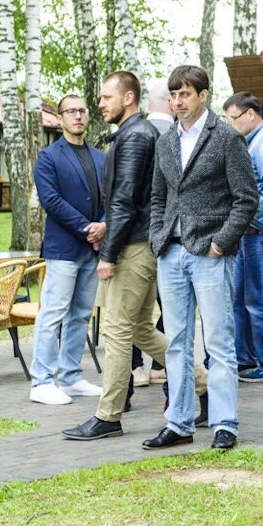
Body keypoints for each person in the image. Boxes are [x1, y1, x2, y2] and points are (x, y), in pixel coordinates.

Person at [63, 71, 205, 442]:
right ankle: (204, 385)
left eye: (106, 97)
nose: (100, 104)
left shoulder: (135, 137)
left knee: (117, 330)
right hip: (138, 242)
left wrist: (108, 253)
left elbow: (125, 202)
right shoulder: (135, 135)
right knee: (142, 329)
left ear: (128, 98)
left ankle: (108, 415)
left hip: (134, 247)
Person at [145, 65, 257, 451]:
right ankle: (178, 422)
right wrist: (157, 235)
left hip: (210, 254)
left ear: (203, 95)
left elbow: (247, 199)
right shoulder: (165, 141)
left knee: (219, 342)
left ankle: (225, 423)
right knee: (175, 343)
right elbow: (159, 197)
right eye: (173, 95)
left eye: (185, 95)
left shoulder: (226, 137)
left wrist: (221, 243)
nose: (177, 102)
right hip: (170, 253)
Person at [27, 95, 106, 407]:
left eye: (82, 111)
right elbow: (52, 201)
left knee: (81, 314)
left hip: (92, 248)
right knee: (53, 313)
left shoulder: (100, 157)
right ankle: (42, 381)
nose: (78, 116)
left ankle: (71, 376)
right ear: (60, 119)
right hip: (64, 248)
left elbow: (110, 197)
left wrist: (103, 226)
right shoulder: (49, 157)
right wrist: (88, 228)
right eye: (71, 111)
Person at [222, 93, 263, 381]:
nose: (231, 125)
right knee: (242, 298)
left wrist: (251, 224)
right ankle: (246, 357)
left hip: (257, 234)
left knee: (261, 300)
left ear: (250, 114)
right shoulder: (252, 143)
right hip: (247, 233)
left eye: (233, 118)